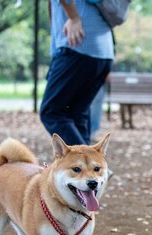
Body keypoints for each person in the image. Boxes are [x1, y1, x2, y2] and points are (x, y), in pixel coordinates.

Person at [41, 0, 114, 146]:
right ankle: (91, 166)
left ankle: (89, 162)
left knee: (51, 111)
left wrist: (74, 18)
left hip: (77, 45)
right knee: (76, 113)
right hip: (102, 51)